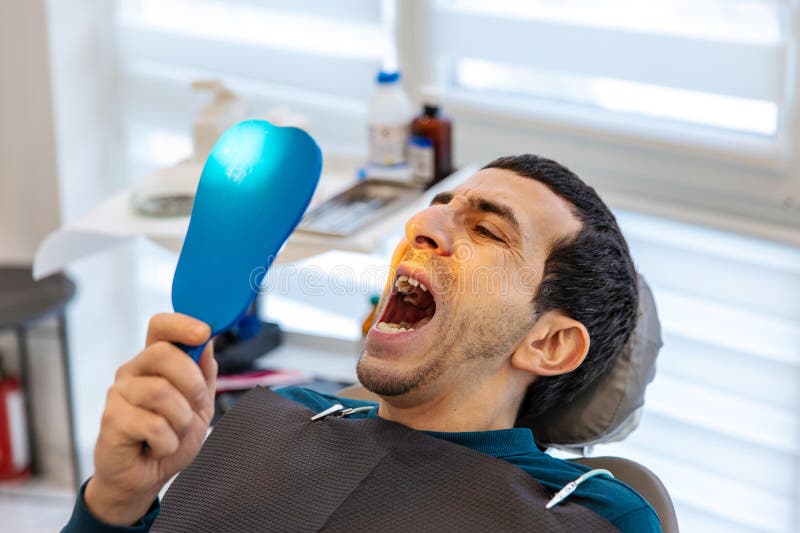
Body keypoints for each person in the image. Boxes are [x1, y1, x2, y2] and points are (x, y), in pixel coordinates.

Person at [62, 155, 661, 532]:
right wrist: (117, 502)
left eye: (486, 230)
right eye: (438, 209)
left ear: (550, 344)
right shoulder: (280, 414)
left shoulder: (594, 515)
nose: (420, 225)